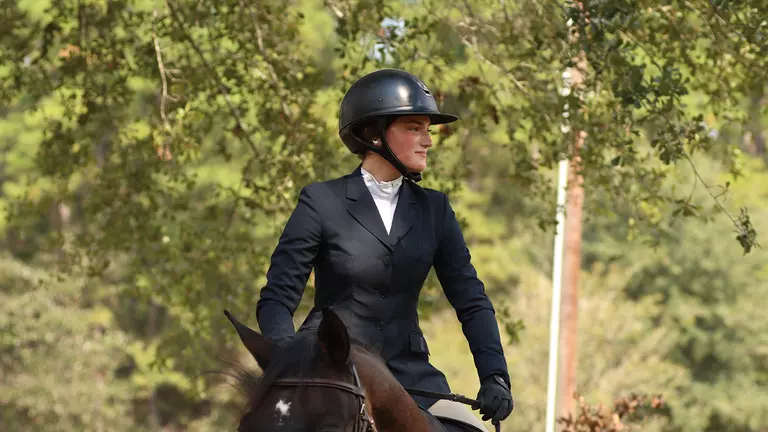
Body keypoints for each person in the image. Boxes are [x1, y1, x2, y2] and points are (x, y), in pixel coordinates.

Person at [256, 68, 514, 431]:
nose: (427, 140)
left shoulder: (435, 210)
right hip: (329, 366)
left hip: (412, 378)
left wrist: (495, 375)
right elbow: (277, 299)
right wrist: (290, 359)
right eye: (414, 128)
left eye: (427, 129)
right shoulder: (321, 201)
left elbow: (471, 300)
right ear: (373, 134)